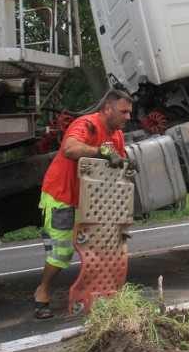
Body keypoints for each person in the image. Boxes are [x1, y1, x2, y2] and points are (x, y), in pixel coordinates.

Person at [33, 89, 133, 319]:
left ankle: (97, 296)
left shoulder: (116, 134)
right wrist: (100, 151)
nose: (128, 117)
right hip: (62, 196)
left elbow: (118, 160)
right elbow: (69, 149)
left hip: (91, 200)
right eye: (124, 112)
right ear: (107, 109)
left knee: (99, 248)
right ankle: (43, 292)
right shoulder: (87, 124)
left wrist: (127, 163)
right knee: (62, 252)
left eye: (129, 112)